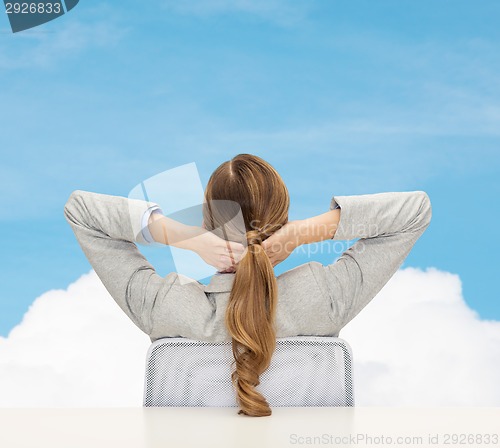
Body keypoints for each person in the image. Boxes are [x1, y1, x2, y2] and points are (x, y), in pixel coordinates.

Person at [64, 153, 432, 417]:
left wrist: (185, 237)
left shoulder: (166, 306)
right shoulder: (323, 297)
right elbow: (415, 211)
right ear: (283, 220)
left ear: (209, 221)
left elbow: (81, 211)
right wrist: (304, 233)